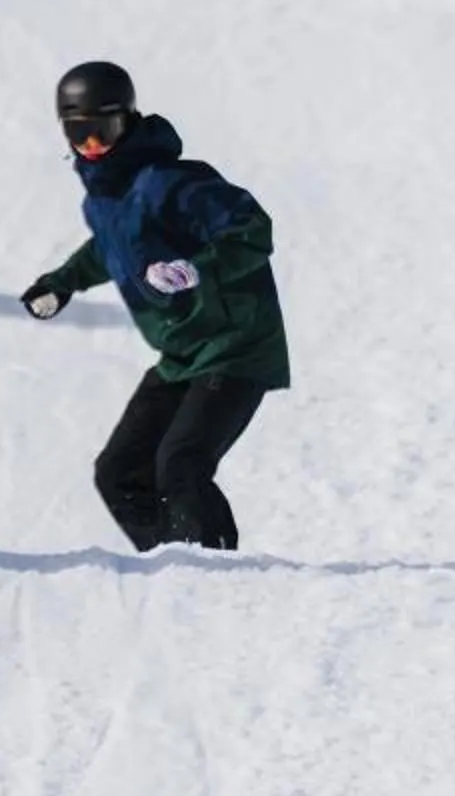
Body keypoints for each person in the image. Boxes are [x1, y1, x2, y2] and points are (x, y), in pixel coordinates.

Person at [18, 61, 288, 551]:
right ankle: (173, 562)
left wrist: (197, 268)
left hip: (236, 346)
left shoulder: (171, 182)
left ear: (128, 120)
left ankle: (216, 573)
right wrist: (61, 284)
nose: (93, 146)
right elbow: (110, 249)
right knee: (118, 472)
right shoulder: (105, 198)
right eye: (80, 133)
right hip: (183, 354)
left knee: (181, 465)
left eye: (103, 130)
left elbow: (253, 228)